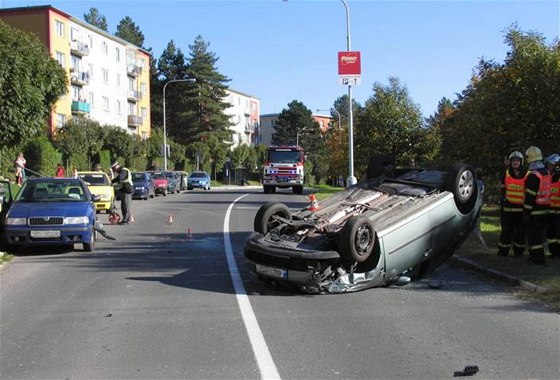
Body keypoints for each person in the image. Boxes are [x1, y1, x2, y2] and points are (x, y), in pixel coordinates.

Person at [523, 146, 551, 265]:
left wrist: (526, 212)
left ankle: (537, 259)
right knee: (540, 235)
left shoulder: (533, 175)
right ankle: (537, 257)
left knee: (534, 237)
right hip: (545, 208)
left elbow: (530, 195)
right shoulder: (546, 172)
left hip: (535, 210)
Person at [498, 151, 527, 257]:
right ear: (510, 162)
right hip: (508, 209)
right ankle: (503, 252)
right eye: (513, 161)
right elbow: (502, 188)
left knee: (520, 233)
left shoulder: (527, 174)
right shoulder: (506, 173)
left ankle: (518, 253)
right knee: (506, 231)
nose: (515, 163)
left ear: (521, 162)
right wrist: (503, 199)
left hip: (520, 209)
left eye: (517, 161)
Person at [546, 154, 560, 259]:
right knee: (551, 234)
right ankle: (553, 252)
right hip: (549, 211)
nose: (549, 167)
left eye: (551, 165)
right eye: (549, 165)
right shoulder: (547, 178)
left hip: (559, 212)